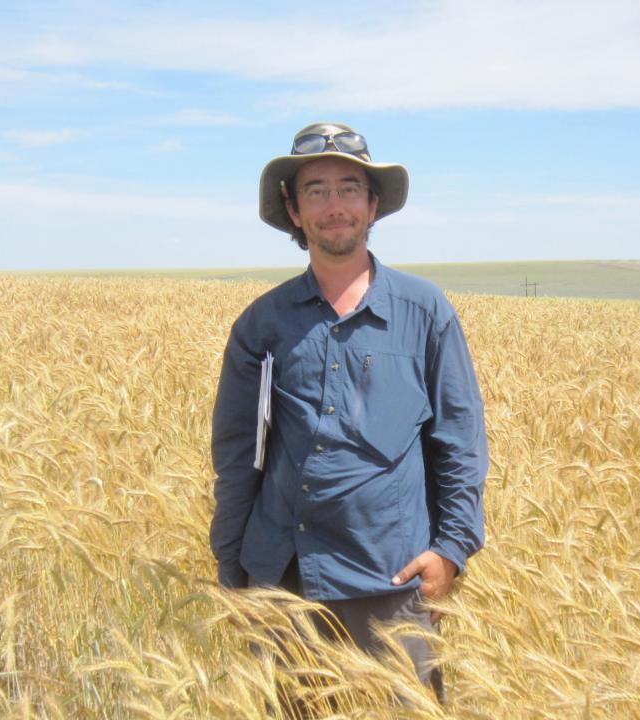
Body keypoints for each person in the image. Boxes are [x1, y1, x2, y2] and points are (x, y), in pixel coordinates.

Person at [209, 122, 488, 702]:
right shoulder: (261, 324)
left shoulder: (425, 311)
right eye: (315, 190)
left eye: (348, 187)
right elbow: (238, 455)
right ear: (293, 209)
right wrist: (233, 567)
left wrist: (451, 551)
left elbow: (459, 442)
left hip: (393, 581)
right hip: (288, 581)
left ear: (373, 203)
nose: (333, 205)